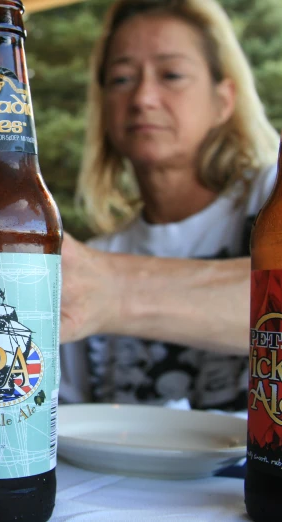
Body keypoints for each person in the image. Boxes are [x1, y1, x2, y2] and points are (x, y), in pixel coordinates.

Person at [59, 0, 279, 411]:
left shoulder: (271, 196)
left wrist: (114, 292)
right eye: (121, 78)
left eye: (172, 75)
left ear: (224, 99)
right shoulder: (91, 261)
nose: (143, 97)